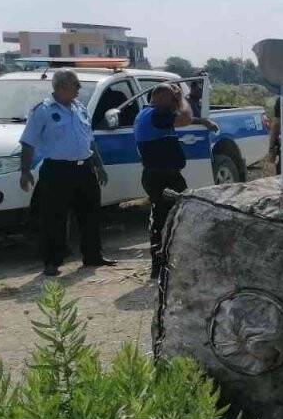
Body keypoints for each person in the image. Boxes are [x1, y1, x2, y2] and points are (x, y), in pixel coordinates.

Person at [17, 69, 114, 276]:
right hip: (57, 170)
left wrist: (99, 166)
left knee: (90, 214)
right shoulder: (43, 110)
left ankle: (93, 255)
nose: (79, 88)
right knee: (54, 218)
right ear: (61, 87)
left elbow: (90, 140)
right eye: (75, 84)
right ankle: (52, 261)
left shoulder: (80, 108)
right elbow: (28, 142)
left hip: (84, 168)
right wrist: (25, 171)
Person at [134, 83, 217, 279]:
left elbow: (182, 119)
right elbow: (185, 118)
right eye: (171, 100)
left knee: (173, 216)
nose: (175, 104)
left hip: (164, 175)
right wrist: (181, 99)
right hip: (161, 177)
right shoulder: (156, 114)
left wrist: (202, 121)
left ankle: (166, 263)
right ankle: (160, 265)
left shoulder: (153, 114)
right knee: (165, 220)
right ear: (161, 98)